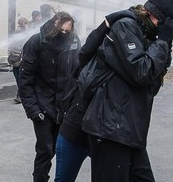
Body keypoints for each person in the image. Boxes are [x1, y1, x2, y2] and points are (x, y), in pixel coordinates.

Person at [80, 0, 173, 182]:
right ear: (154, 14)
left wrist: (164, 44)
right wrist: (162, 42)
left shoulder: (148, 36)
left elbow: (152, 85)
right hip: (110, 128)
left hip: (129, 129)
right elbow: (141, 71)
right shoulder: (125, 26)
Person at [54, 10, 136, 182]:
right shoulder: (92, 63)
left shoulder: (128, 68)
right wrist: (105, 23)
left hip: (102, 139)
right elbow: (85, 51)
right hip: (74, 132)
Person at [19, 11, 81, 182]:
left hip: (65, 107)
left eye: (68, 30)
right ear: (55, 24)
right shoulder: (36, 42)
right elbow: (25, 80)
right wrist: (33, 109)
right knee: (45, 150)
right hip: (42, 106)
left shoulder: (75, 42)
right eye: (62, 29)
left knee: (62, 149)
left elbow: (79, 74)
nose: (65, 33)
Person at [8, 17, 29, 103]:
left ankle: (20, 95)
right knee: (21, 80)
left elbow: (10, 48)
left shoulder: (16, 33)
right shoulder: (24, 34)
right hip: (20, 61)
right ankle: (20, 96)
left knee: (19, 79)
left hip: (15, 61)